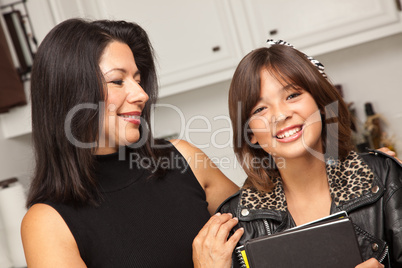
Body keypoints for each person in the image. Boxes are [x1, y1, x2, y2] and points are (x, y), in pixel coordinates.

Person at [20, 18, 242, 268]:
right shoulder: (47, 223)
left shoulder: (182, 159)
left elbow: (270, 233)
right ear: (71, 92)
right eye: (117, 81)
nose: (142, 95)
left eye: (137, 79)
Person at [192, 40, 402, 268]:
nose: (280, 115)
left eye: (292, 95)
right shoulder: (235, 223)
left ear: (322, 105)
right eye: (260, 109)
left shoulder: (383, 177)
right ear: (250, 133)